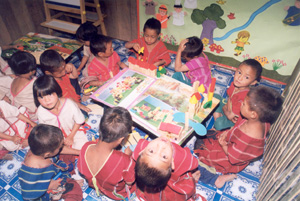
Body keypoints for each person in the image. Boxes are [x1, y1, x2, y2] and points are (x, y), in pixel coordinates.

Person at [194, 86, 283, 174]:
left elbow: (234, 158)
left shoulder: (247, 138)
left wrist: (223, 145)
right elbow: (236, 127)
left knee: (201, 148)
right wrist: (227, 132)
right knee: (207, 134)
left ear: (253, 114)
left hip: (229, 157)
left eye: (243, 104)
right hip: (233, 142)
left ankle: (220, 177)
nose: (241, 104)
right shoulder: (261, 121)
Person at [78, 107, 135, 200]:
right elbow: (130, 182)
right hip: (115, 193)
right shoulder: (125, 160)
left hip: (94, 185)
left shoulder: (86, 146)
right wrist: (129, 157)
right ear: (121, 139)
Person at [18, 124, 82, 201]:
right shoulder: (32, 173)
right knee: (76, 192)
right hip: (46, 191)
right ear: (48, 154)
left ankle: (68, 179)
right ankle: (67, 184)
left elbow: (60, 151)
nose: (64, 145)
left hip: (53, 174)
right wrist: (48, 186)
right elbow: (27, 196)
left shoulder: (39, 150)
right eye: (60, 146)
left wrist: (80, 152)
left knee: (68, 156)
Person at [133, 137, 200, 200]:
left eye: (151, 151)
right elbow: (194, 163)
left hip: (154, 187)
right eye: (164, 156)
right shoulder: (181, 157)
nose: (161, 145)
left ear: (141, 151)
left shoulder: (141, 150)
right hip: (176, 186)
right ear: (172, 163)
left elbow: (140, 144)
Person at [33, 75, 88, 150]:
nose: (46, 100)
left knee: (83, 146)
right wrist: (60, 141)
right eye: (41, 97)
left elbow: (79, 121)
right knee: (47, 149)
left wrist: (71, 136)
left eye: (50, 94)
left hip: (74, 131)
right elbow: (46, 130)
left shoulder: (69, 104)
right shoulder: (41, 112)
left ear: (57, 92)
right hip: (56, 137)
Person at [213, 59, 262, 131]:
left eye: (246, 77)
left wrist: (224, 108)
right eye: (239, 72)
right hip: (228, 109)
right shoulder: (234, 84)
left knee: (219, 124)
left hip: (234, 120)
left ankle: (228, 126)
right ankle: (218, 117)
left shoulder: (245, 97)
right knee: (215, 97)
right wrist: (226, 107)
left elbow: (230, 117)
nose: (239, 78)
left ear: (253, 82)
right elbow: (229, 98)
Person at [8, 51, 38, 120]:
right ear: (32, 71)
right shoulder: (33, 83)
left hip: (20, 114)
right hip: (31, 117)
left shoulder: (14, 80)